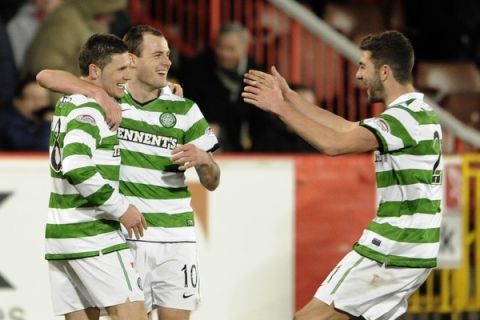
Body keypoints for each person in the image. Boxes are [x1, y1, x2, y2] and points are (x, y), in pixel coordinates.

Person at [242, 30, 443, 320]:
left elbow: (334, 143)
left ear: (384, 71)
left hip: (394, 245)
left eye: (363, 66)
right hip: (416, 247)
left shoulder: (403, 118)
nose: (359, 75)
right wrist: (291, 98)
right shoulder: (418, 112)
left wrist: (279, 108)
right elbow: (347, 128)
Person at [37, 25, 221, 320]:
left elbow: (212, 181)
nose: (167, 62)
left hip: (176, 238)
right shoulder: (110, 101)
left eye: (168, 55)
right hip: (128, 233)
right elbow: (46, 76)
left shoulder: (183, 108)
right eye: (158, 55)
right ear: (133, 60)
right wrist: (96, 91)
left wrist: (204, 160)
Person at [45, 33, 148, 320]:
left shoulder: (69, 101)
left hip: (61, 234)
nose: (128, 77)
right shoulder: (90, 108)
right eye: (121, 70)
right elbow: (77, 165)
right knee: (133, 315)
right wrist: (121, 208)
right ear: (94, 71)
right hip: (92, 233)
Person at [23, 0, 127, 105]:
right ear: (99, 6)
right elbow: (45, 71)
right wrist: (72, 106)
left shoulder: (96, 23)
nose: (113, 18)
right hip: (55, 103)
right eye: (109, 11)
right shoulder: (65, 22)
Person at [180, 22, 263, 151]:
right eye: (220, 47)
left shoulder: (255, 73)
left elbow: (259, 120)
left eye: (231, 49)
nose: (224, 54)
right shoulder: (198, 68)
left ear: (244, 47)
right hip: (204, 139)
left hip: (241, 145)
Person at [0, 76, 52, 150]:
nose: (39, 104)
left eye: (43, 98)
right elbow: (39, 149)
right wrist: (48, 123)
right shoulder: (8, 122)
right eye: (33, 98)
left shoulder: (35, 122)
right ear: (17, 102)